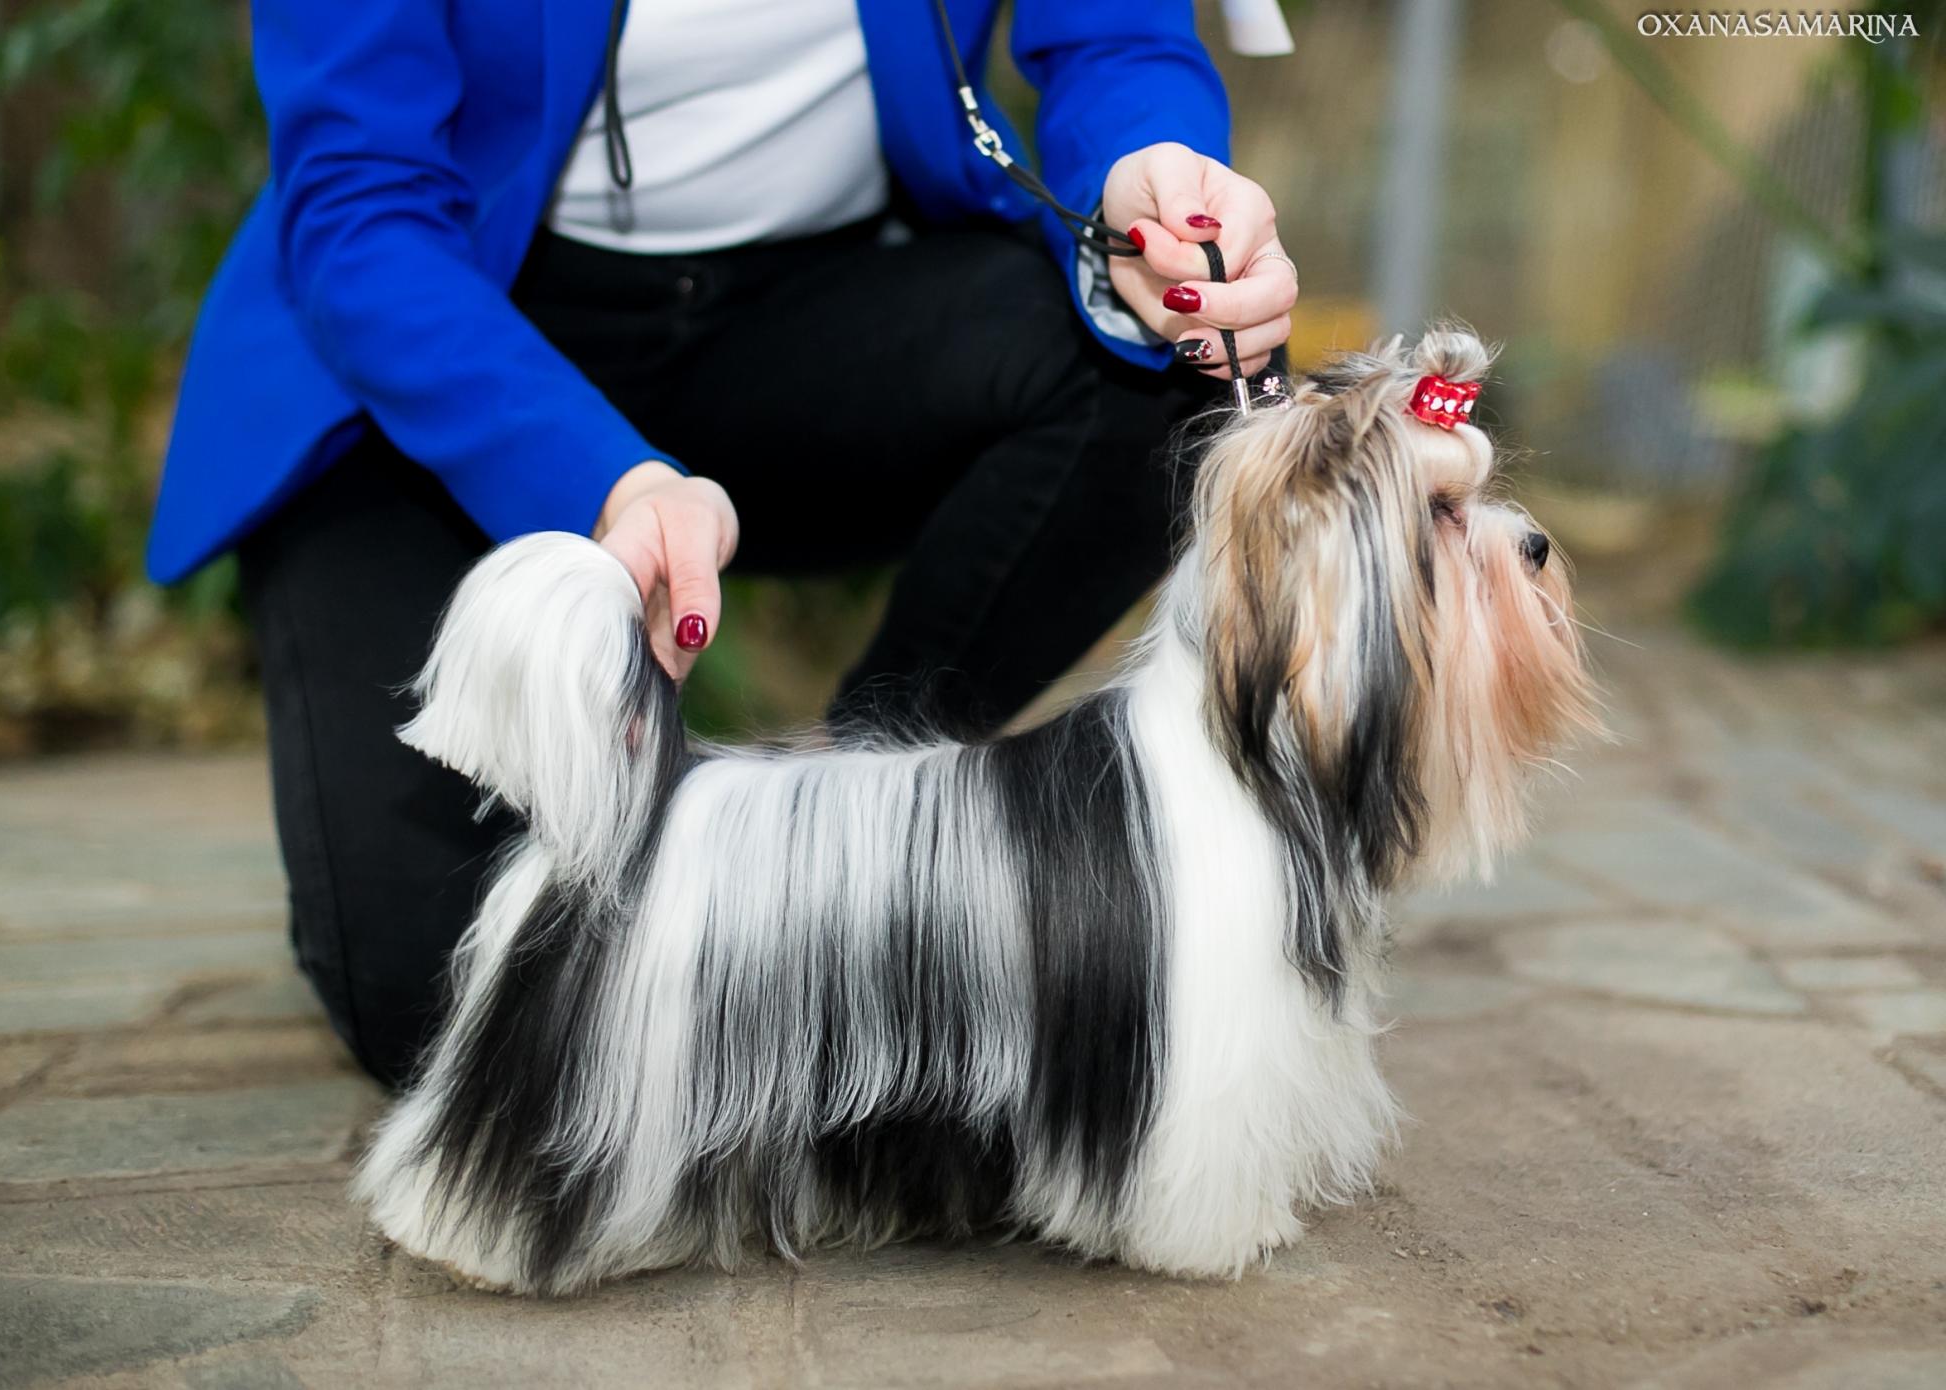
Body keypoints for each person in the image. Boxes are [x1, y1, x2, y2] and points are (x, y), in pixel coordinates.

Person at [147, 0, 1299, 1087]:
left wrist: (1145, 181)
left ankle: (856, 866)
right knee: (469, 1012)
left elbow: (1113, 39)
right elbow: (359, 206)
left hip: (823, 306)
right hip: (451, 343)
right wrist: (598, 479)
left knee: (1175, 380)